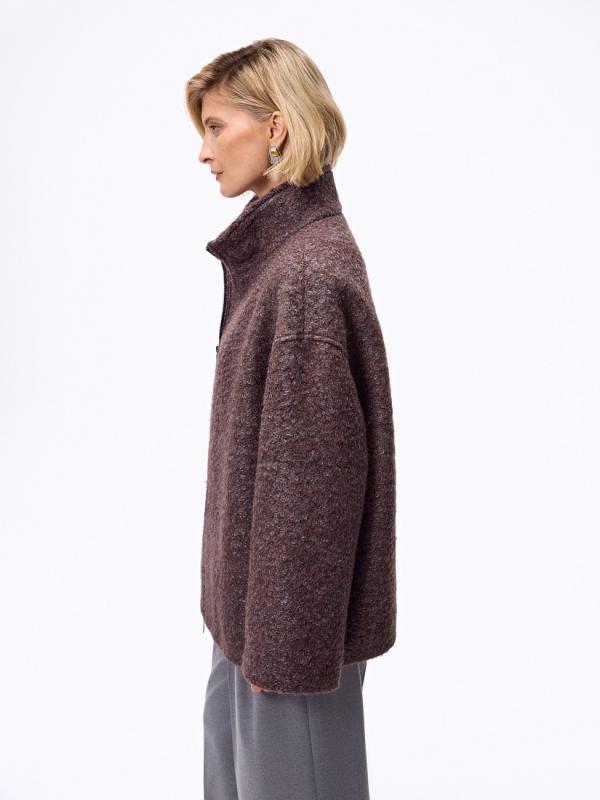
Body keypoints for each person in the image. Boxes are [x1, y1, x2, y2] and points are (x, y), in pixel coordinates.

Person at [185, 37, 397, 800]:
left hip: (285, 642)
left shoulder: (304, 278)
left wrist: (282, 651)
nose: (204, 152)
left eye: (216, 127)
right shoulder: (279, 263)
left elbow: (317, 488)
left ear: (275, 127)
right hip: (252, 623)